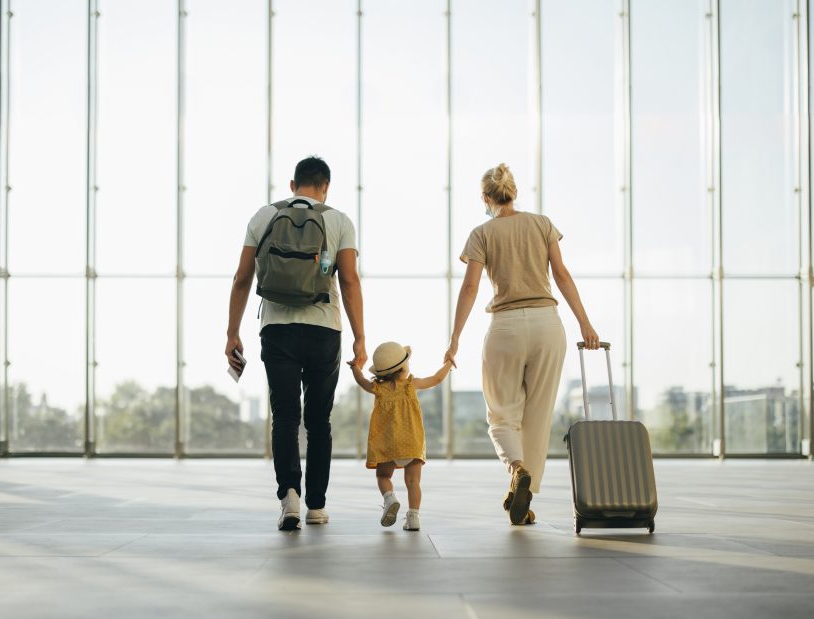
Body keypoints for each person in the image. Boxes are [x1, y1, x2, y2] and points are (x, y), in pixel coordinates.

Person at [445, 164, 600, 526]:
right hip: (548, 325)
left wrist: (454, 338)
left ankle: (517, 470)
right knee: (537, 417)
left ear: (486, 198)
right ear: (513, 193)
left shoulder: (481, 233)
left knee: (502, 415)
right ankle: (523, 499)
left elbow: (470, 288)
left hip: (506, 328)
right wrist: (585, 323)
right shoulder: (542, 223)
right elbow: (561, 274)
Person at [225, 156, 366, 531]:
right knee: (319, 420)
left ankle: (289, 495)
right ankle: (317, 505)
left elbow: (242, 278)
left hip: (277, 329)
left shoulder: (264, 216)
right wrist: (360, 339)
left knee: (285, 416)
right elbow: (349, 282)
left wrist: (231, 332)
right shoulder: (338, 220)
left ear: (292, 185)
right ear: (326, 187)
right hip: (324, 330)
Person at [349, 341, 453, 532]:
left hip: (387, 444)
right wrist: (448, 363)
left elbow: (361, 381)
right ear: (404, 367)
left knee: (383, 476)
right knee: (413, 483)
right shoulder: (411, 385)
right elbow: (436, 379)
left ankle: (390, 498)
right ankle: (413, 518)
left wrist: (355, 368)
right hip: (411, 443)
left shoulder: (378, 388)